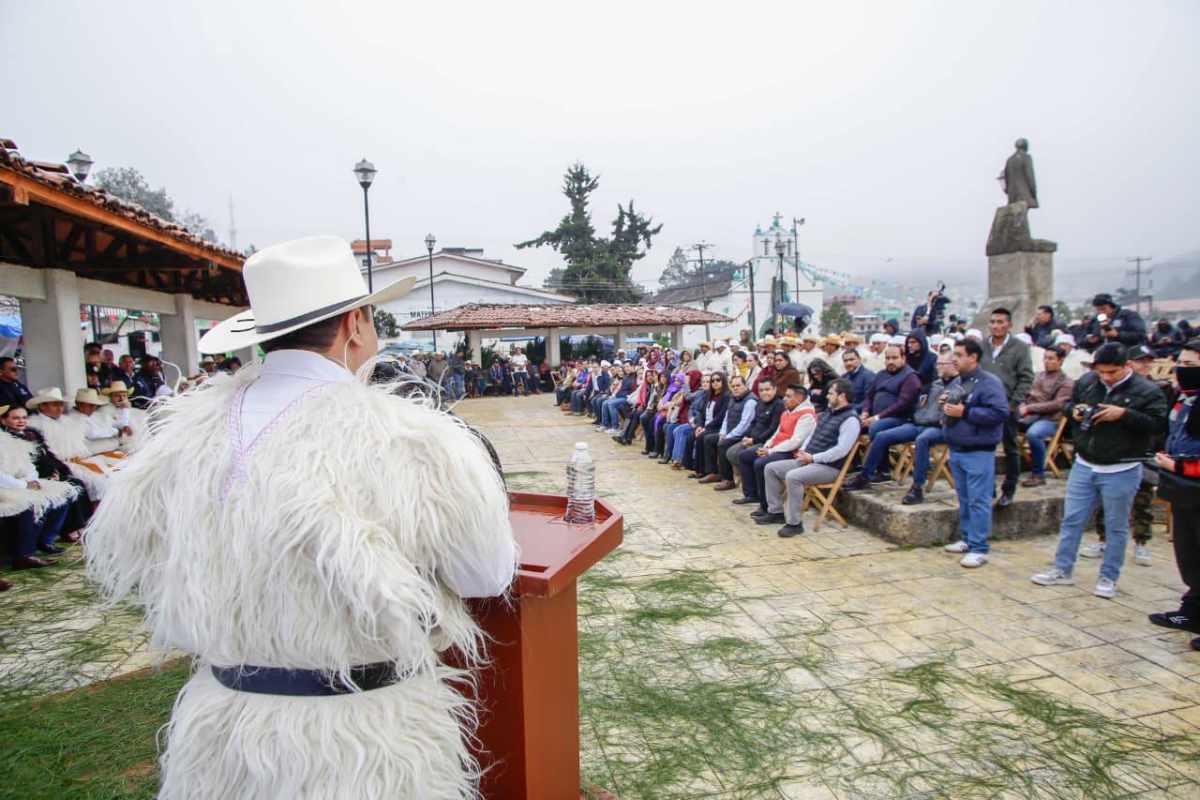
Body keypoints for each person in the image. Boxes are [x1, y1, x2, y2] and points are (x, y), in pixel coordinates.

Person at [85, 235, 517, 799]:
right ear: (354, 326)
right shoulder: (415, 438)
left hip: (223, 728)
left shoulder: (178, 440)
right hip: (369, 739)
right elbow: (485, 574)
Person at [1030, 343, 1168, 598]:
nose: (1106, 377)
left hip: (1122, 467)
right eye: (1101, 371)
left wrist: (1124, 414)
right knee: (1072, 520)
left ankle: (1108, 576)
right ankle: (1062, 569)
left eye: (1112, 372)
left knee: (1116, 525)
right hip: (1085, 462)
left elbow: (1158, 425)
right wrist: (1077, 412)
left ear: (1127, 366)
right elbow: (1069, 406)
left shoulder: (1147, 391)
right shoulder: (1088, 382)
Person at [1083, 344, 1171, 566]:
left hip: (1143, 453)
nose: (1145, 365)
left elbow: (1159, 424)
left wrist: (1126, 415)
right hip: (1112, 454)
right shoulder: (1108, 387)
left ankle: (1141, 542)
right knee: (1107, 501)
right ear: (1129, 363)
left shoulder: (1155, 389)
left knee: (1142, 500)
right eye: (1140, 360)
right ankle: (1103, 539)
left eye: (1147, 361)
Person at [756, 379, 862, 537]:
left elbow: (841, 450)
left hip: (829, 467)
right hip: (809, 459)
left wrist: (813, 458)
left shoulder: (851, 420)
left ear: (842, 396)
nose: (827, 397)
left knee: (793, 477)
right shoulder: (828, 413)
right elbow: (812, 435)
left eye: (831, 393)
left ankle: (794, 523)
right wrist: (804, 451)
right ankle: (776, 512)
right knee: (771, 468)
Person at [1148, 338, 1200, 649]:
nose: (1182, 370)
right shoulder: (1184, 400)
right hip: (1183, 493)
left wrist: (1180, 467)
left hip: (1191, 480)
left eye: (1191, 366)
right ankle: (1193, 610)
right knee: (1189, 552)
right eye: (1180, 363)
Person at [940, 338, 1010, 568]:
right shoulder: (960, 382)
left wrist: (966, 412)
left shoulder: (989, 383)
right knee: (965, 498)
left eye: (959, 355)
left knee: (979, 500)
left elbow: (999, 412)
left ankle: (980, 547)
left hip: (978, 449)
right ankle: (968, 538)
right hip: (958, 447)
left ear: (973, 357)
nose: (954, 359)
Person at [844, 344, 923, 489]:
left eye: (894, 358)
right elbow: (869, 396)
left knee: (876, 428)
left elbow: (902, 404)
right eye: (887, 358)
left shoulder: (910, 377)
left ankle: (877, 472)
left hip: (901, 418)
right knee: (850, 425)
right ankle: (850, 465)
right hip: (876, 416)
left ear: (903, 358)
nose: (890, 361)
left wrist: (877, 417)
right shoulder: (881, 374)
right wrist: (866, 412)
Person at [981, 307, 1035, 507]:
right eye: (993, 322)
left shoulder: (1019, 347)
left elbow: (1026, 377)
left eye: (1000, 322)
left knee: (1010, 448)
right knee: (985, 448)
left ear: (1009, 325)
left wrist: (1014, 403)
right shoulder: (981, 346)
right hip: (984, 407)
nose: (996, 326)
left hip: (1007, 406)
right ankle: (989, 489)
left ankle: (1009, 490)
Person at [736, 385, 817, 509]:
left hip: (790, 452)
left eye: (788, 396)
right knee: (745, 455)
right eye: (785, 395)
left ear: (799, 398)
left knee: (760, 463)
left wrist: (770, 451)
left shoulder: (807, 415)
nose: (784, 399)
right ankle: (751, 494)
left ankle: (766, 505)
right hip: (775, 448)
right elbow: (777, 433)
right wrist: (767, 445)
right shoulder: (787, 412)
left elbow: (795, 441)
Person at [898, 353, 959, 505]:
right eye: (937, 364)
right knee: (884, 435)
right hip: (923, 423)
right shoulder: (935, 384)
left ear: (953, 364)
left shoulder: (960, 384)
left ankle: (917, 487)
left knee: (923, 439)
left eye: (942, 364)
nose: (938, 367)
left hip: (945, 427)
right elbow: (923, 407)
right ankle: (868, 475)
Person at [1018, 346, 1075, 487]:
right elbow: (1025, 393)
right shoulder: (1038, 375)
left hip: (1051, 419)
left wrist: (1029, 408)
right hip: (1030, 415)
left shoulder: (1066, 382)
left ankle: (1038, 474)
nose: (1047, 361)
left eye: (1051, 358)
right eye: (1045, 358)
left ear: (1060, 361)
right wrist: (1021, 404)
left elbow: (1057, 405)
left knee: (1034, 434)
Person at [717, 377, 783, 491]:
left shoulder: (778, 405)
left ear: (775, 389)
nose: (764, 393)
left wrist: (754, 440)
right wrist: (746, 437)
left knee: (743, 455)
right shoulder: (760, 403)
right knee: (731, 452)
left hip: (765, 441)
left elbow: (773, 429)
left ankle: (751, 490)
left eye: (767, 389)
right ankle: (745, 482)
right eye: (761, 390)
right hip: (752, 438)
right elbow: (753, 423)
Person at [698, 374, 756, 484]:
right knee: (709, 439)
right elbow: (726, 418)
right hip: (729, 432)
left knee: (723, 444)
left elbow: (744, 425)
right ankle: (713, 472)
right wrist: (722, 433)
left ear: (746, 385)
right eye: (733, 386)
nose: (735, 388)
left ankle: (728, 479)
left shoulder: (750, 401)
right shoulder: (733, 398)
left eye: (738, 385)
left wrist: (727, 436)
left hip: (742, 435)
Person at [686, 372, 730, 477]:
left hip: (717, 427)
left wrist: (705, 428)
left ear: (723, 381)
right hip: (706, 426)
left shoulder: (726, 396)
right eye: (713, 381)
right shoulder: (709, 395)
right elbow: (701, 413)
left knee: (703, 437)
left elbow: (721, 416)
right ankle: (696, 468)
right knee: (691, 436)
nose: (715, 382)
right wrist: (699, 426)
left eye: (718, 380)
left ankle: (709, 471)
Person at [669, 373, 710, 469]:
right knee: (675, 429)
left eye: (707, 382)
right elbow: (690, 405)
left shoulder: (710, 396)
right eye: (703, 382)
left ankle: (677, 460)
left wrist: (695, 423)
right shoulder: (700, 392)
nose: (705, 384)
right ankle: (677, 459)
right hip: (693, 420)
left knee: (679, 430)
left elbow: (702, 414)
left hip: (701, 423)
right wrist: (691, 419)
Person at [1083, 293, 1147, 352]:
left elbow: (1141, 335)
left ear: (1112, 307)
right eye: (1098, 309)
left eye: (1103, 309)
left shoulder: (1128, 315)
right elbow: (1082, 339)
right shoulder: (1095, 320)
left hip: (1128, 354)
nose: (1101, 312)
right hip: (1106, 356)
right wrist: (1090, 340)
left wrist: (1118, 334)